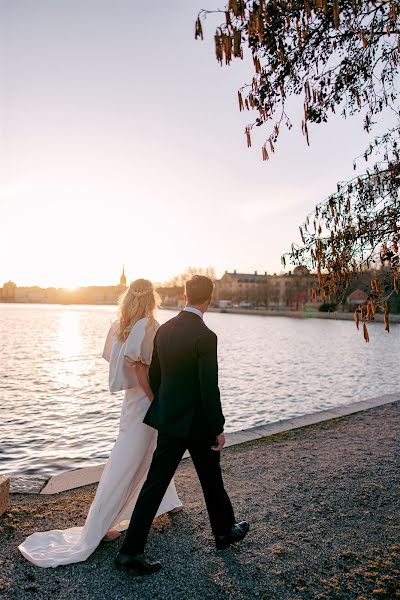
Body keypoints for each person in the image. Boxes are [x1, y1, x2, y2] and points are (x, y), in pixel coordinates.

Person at [18, 279, 182, 568]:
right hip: (144, 399)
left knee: (145, 452)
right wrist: (155, 397)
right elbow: (140, 366)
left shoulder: (120, 324)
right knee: (132, 457)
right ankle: (103, 521)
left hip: (130, 402)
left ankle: (168, 502)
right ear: (151, 298)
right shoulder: (147, 324)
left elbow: (113, 358)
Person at [115, 275, 249, 575]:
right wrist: (218, 427)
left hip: (170, 422)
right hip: (199, 425)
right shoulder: (206, 336)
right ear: (209, 299)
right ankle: (224, 530)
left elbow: (156, 378)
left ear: (185, 295)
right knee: (211, 478)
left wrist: (166, 409)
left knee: (155, 484)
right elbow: (208, 388)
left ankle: (130, 551)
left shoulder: (165, 330)